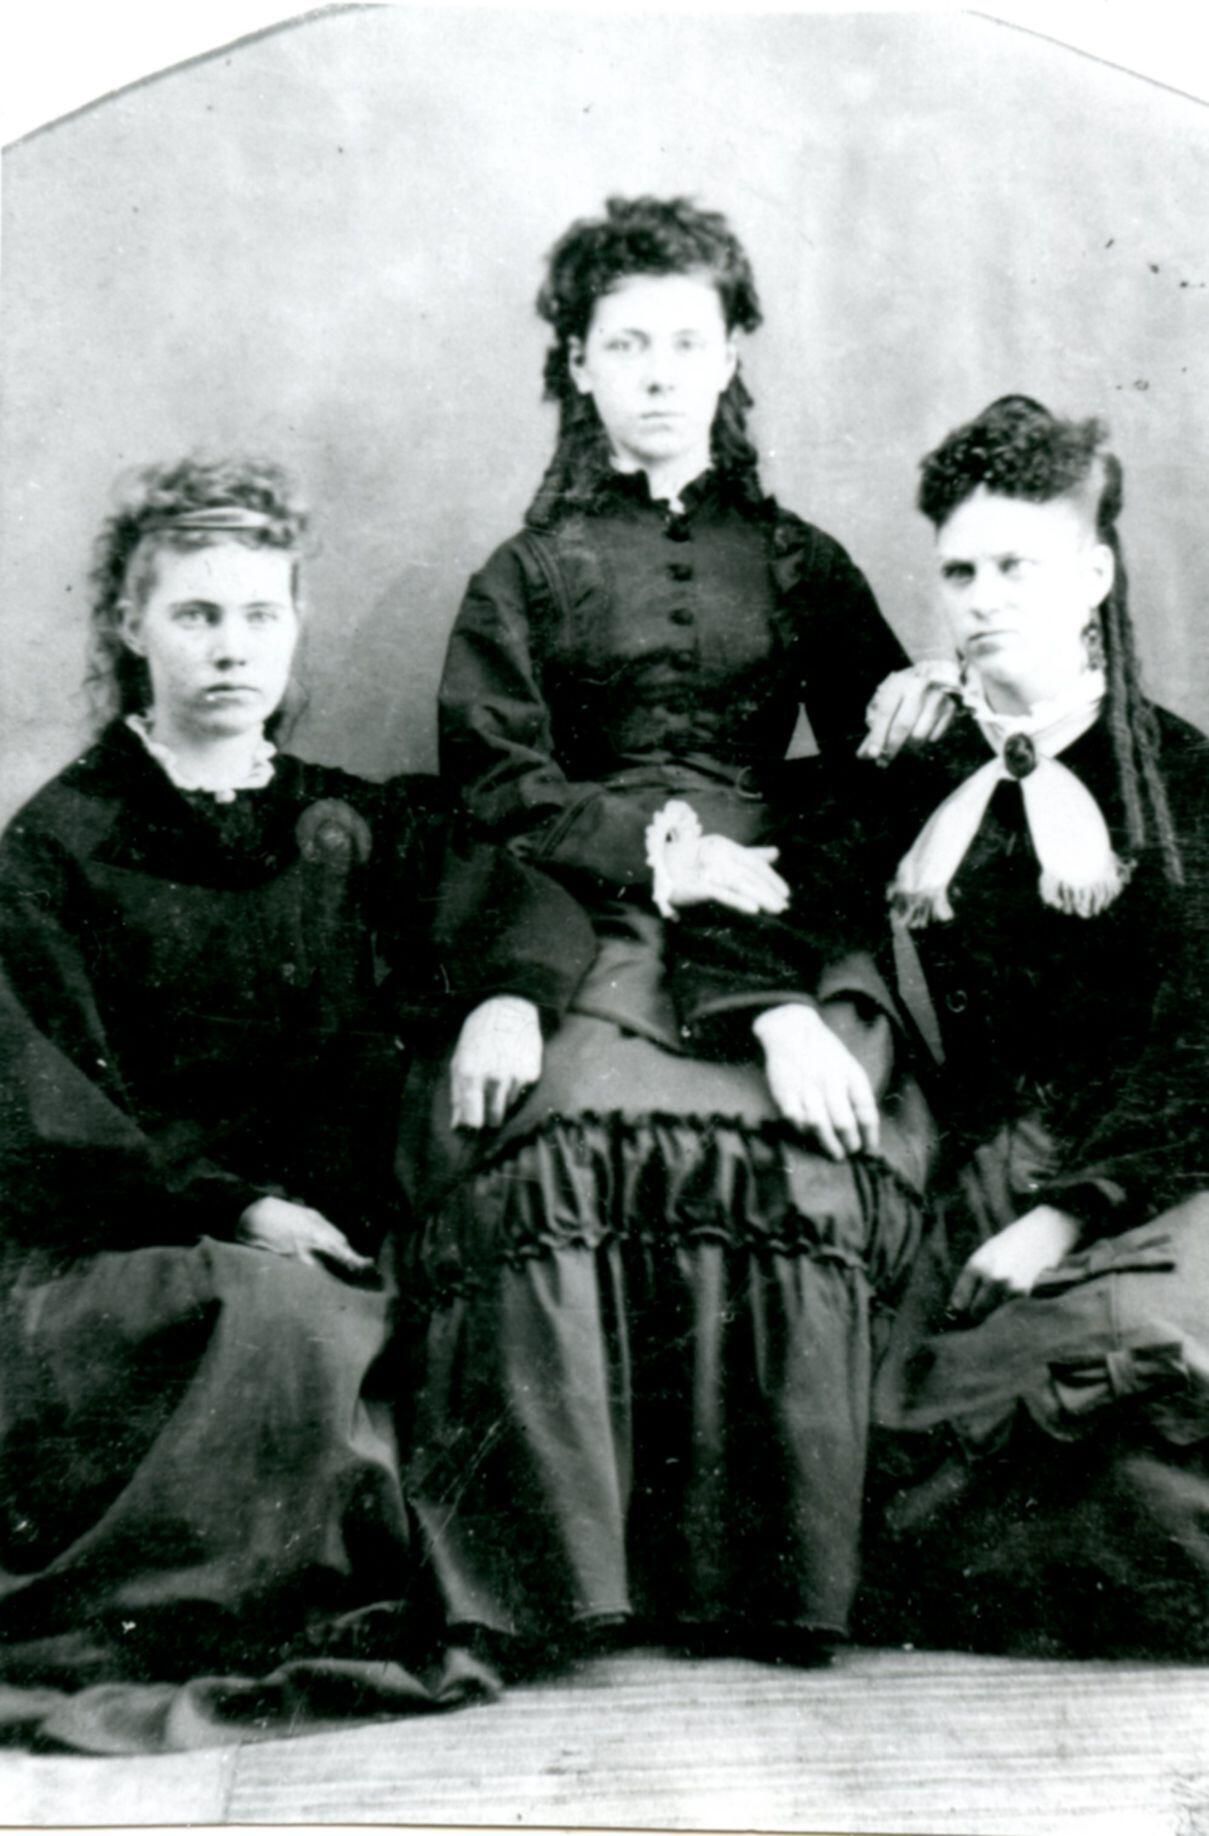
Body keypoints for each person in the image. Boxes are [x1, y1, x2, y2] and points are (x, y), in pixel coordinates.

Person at [401, 195, 937, 1668]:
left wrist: (903, 725)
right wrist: (654, 855)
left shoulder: (805, 562)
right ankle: (581, 1583)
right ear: (577, 364)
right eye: (624, 344)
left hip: (771, 912)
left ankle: (771, 1580)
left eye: (685, 342)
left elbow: (876, 773)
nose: (656, 373)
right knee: (559, 1138)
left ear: (733, 352)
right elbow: (495, 782)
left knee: (808, 1159)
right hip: (577, 910)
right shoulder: (526, 573)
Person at [0, 456, 594, 1751]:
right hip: (134, 1239)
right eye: (195, 614)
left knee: (466, 1297)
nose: (231, 648)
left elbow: (523, 904)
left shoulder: (345, 819)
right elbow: (54, 1121)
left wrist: (509, 999)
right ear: (130, 626)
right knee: (282, 1321)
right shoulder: (57, 848)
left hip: (340, 1229)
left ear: (294, 624)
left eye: (259, 615)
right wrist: (241, 1208)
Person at [669, 395, 1209, 1657]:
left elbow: (1202, 1049)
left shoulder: (1185, 780)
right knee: (877, 1440)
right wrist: (782, 1021)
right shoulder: (918, 763)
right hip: (990, 1162)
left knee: (1145, 1367)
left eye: (1018, 566)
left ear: (1094, 577)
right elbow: (772, 906)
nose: (982, 599)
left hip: (1163, 1168)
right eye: (960, 572)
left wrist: (1062, 1216)